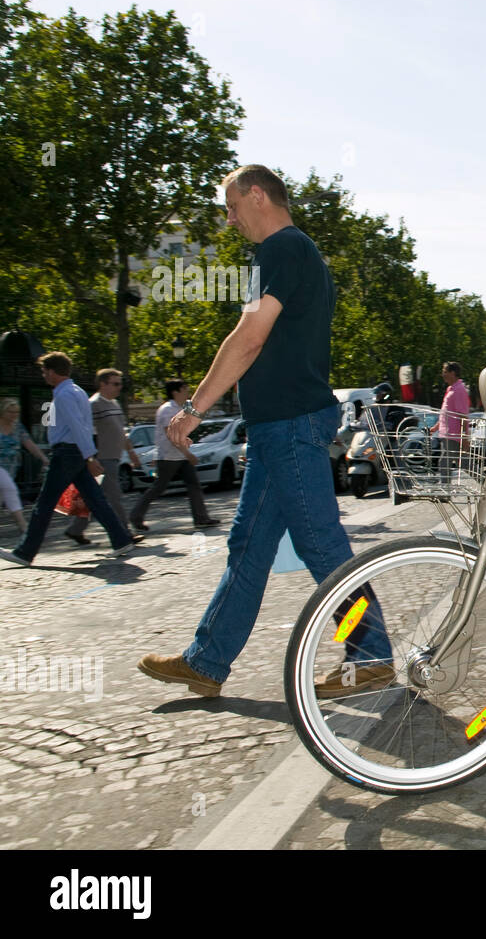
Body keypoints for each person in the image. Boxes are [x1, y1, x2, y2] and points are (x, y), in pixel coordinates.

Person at [137, 164, 392, 698]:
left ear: (257, 196)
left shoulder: (281, 249)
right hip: (280, 424)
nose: (229, 220)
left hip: (290, 424)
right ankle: (207, 661)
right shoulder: (298, 253)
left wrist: (196, 407)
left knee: (321, 545)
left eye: (231, 207)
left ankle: (371, 655)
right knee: (248, 546)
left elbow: (248, 338)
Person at [1, 353, 140, 567]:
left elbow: (77, 427)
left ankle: (25, 552)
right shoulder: (77, 392)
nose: (44, 375)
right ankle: (121, 540)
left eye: (45, 371)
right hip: (74, 453)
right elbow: (83, 427)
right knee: (95, 500)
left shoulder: (64, 395)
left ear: (53, 371)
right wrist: (87, 455)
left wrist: (89, 456)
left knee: (45, 504)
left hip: (66, 453)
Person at [64, 369, 143, 544]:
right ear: (102, 384)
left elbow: (121, 432)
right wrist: (91, 458)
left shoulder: (115, 404)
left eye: (120, 383)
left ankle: (75, 529)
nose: (119, 387)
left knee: (92, 497)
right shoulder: (93, 404)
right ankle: (124, 533)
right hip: (101, 458)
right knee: (113, 496)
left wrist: (131, 452)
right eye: (115, 383)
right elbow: (86, 432)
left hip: (114, 457)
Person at [128, 379, 218, 532]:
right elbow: (170, 435)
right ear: (175, 391)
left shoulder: (180, 408)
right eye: (184, 388)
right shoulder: (167, 410)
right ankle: (135, 516)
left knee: (193, 485)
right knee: (159, 487)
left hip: (179, 456)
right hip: (168, 456)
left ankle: (201, 518)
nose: (187, 391)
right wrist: (188, 454)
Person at [0, 397, 49, 534]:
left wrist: (43, 458)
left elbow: (29, 444)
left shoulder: (18, 427)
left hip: (11, 468)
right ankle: (23, 526)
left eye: (16, 412)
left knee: (4, 495)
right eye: (11, 412)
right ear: (3, 411)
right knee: (10, 490)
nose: (14, 415)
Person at [436, 361, 470, 478]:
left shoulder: (459, 389)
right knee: (465, 464)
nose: (443, 374)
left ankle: (445, 492)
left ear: (453, 373)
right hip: (448, 434)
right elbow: (446, 411)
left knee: (445, 463)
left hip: (454, 435)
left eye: (445, 372)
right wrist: (436, 427)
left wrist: (465, 437)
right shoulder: (451, 389)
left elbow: (463, 415)